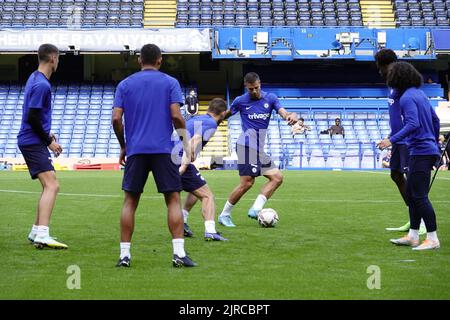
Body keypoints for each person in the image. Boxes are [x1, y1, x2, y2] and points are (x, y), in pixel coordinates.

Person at [112, 44, 196, 268]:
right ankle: (178, 253)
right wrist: (186, 145)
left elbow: (115, 119)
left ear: (140, 60)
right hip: (162, 150)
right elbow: (177, 117)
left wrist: (123, 146)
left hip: (136, 149)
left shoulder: (125, 84)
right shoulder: (170, 83)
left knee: (130, 201)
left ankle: (124, 256)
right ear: (160, 60)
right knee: (173, 200)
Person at [218, 72, 298, 227]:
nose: (253, 91)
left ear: (260, 83)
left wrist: (290, 116)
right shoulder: (240, 101)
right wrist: (215, 119)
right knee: (247, 183)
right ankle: (224, 215)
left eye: (256, 88)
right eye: (250, 89)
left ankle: (256, 209)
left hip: (258, 149)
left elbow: (283, 112)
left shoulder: (271, 98)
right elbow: (226, 114)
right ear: (246, 87)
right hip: (246, 146)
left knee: (277, 178)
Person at [378, 61, 441, 250]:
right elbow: (435, 120)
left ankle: (432, 238)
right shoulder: (420, 94)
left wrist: (392, 139)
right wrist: (434, 141)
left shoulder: (406, 98)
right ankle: (413, 235)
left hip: (420, 150)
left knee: (420, 196)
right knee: (414, 195)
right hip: (425, 149)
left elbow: (412, 124)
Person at [17, 43, 67, 250]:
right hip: (32, 141)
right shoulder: (42, 85)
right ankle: (42, 234)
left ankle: (37, 230)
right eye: (58, 58)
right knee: (52, 185)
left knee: (50, 184)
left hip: (32, 139)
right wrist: (49, 142)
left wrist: (47, 133)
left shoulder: (34, 78)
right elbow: (32, 116)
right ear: (53, 58)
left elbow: (34, 115)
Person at [375, 48, 426, 235]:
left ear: (387, 65)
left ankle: (419, 222)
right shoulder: (392, 85)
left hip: (406, 140)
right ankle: (413, 217)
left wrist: (395, 138)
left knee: (410, 181)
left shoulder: (402, 83)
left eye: (380, 67)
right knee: (395, 175)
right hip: (397, 138)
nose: (379, 71)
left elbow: (410, 114)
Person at [179, 98, 228, 241]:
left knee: (195, 190)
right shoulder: (211, 123)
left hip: (170, 157)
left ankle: (182, 221)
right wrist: (185, 164)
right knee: (207, 196)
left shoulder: (197, 118)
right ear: (223, 113)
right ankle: (210, 231)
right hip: (179, 159)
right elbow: (193, 141)